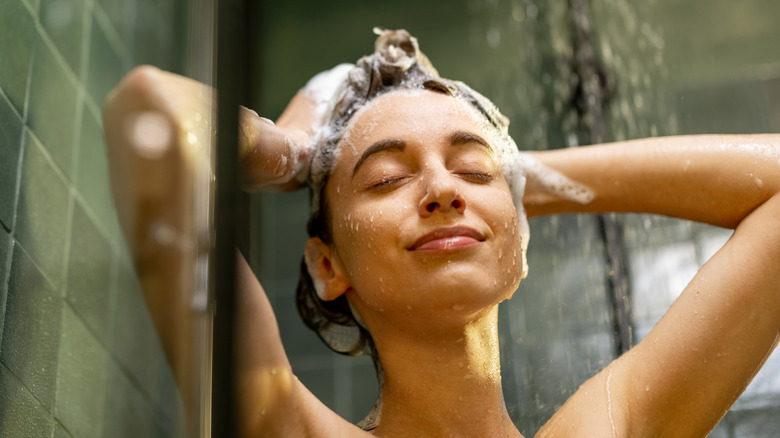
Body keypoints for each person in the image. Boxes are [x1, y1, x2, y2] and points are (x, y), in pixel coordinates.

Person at [103, 29, 780, 437]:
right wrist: (297, 149)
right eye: (388, 178)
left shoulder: (611, 425)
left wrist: (522, 182)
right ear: (326, 265)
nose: (444, 190)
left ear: (516, 246)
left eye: (469, 169)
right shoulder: (283, 425)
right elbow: (149, 114)